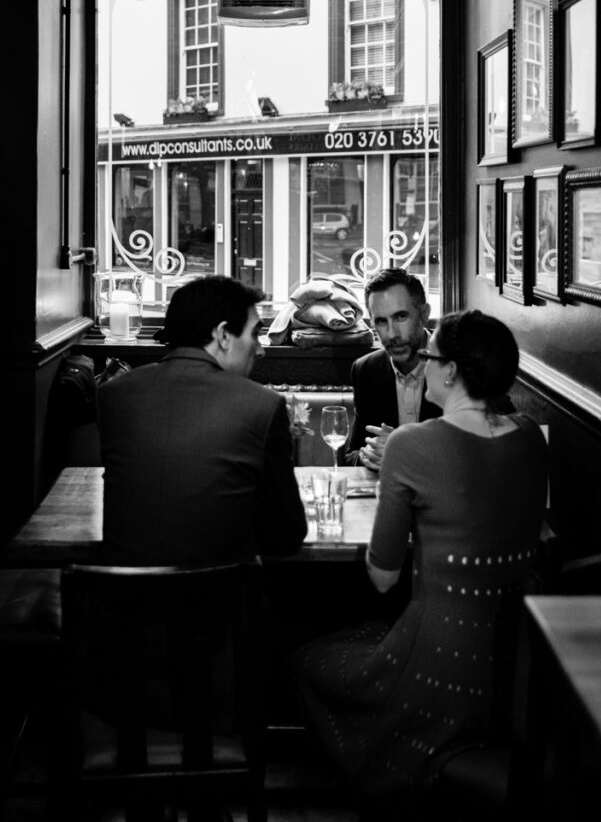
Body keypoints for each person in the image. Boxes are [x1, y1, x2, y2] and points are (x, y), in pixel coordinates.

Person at [294, 310, 548, 819]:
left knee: (310, 657)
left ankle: (372, 788)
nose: (424, 367)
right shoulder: (529, 437)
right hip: (514, 670)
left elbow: (384, 577)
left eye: (431, 357)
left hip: (438, 666)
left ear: (451, 371)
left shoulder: (411, 444)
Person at [98, 274, 307, 566]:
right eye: (254, 334)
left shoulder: (113, 396)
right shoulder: (262, 405)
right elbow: (286, 536)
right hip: (221, 606)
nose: (260, 349)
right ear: (223, 335)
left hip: (115, 605)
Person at [345, 268, 440, 469]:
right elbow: (351, 454)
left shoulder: (456, 363)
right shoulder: (365, 369)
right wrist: (368, 455)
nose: (392, 334)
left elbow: (481, 452)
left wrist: (401, 451)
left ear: (424, 314)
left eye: (400, 317)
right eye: (381, 321)